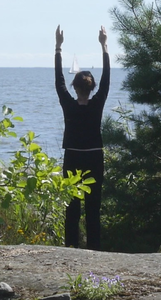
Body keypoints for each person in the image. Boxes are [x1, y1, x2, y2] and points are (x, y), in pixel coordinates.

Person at [54, 24, 109, 250]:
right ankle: (94, 249)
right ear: (92, 87)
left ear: (75, 87)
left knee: (72, 207)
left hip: (73, 157)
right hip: (94, 157)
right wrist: (104, 45)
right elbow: (107, 79)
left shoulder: (69, 104)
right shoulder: (97, 103)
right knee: (93, 207)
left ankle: (71, 247)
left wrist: (58, 47)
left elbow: (59, 81)